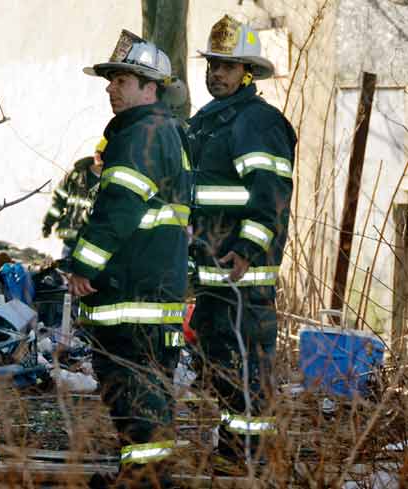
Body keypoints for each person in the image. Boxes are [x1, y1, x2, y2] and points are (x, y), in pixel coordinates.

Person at [68, 30, 192, 487]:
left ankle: (145, 480)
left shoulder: (140, 135)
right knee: (144, 392)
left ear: (149, 87)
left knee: (135, 391)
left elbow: (117, 211)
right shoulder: (163, 131)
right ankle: (141, 475)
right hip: (150, 290)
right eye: (110, 80)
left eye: (121, 80)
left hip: (134, 293)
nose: (111, 88)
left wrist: (83, 265)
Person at [187, 15, 297, 471]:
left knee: (248, 369)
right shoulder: (210, 121)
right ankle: (234, 452)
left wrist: (248, 250)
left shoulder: (258, 122)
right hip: (215, 272)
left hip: (243, 275)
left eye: (227, 67)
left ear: (247, 73)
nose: (216, 73)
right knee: (222, 368)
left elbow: (271, 194)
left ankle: (252, 459)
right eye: (212, 64)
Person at [42, 138, 106, 256]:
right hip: (70, 239)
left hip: (92, 243)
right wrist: (48, 223)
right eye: (99, 152)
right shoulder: (75, 175)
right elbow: (58, 201)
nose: (100, 157)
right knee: (65, 265)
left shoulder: (111, 182)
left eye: (104, 154)